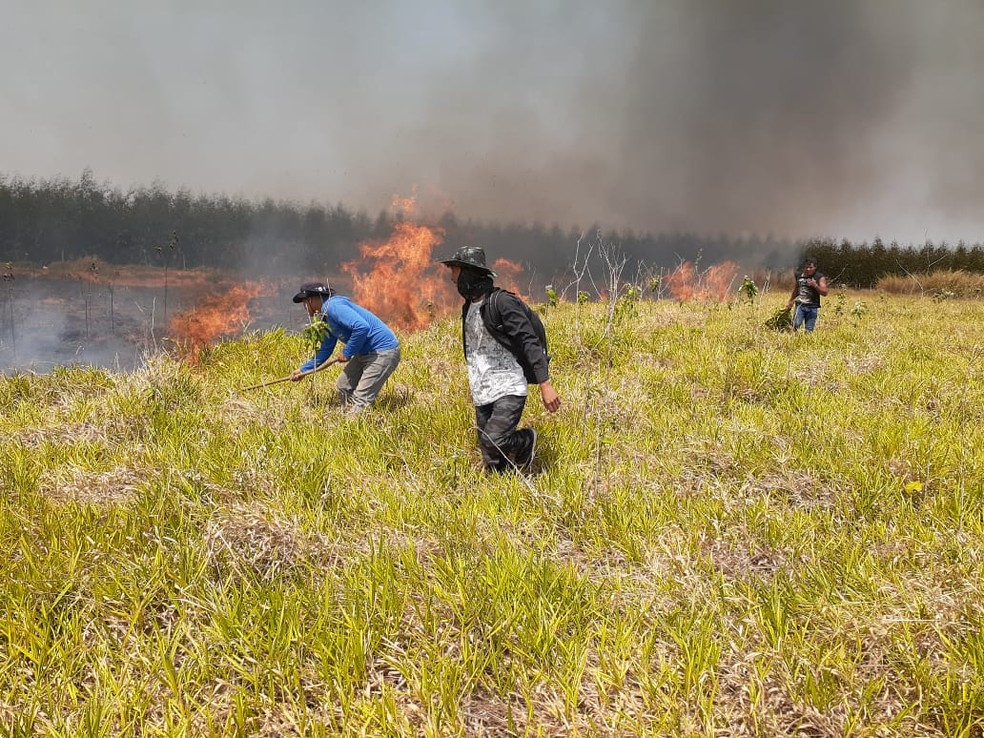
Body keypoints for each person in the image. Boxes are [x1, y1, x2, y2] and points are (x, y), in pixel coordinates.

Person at [439, 246, 561, 473]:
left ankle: (526, 440)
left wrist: (545, 384)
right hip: (482, 389)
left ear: (468, 273)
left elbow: (528, 341)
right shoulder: (469, 307)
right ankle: (499, 489)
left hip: (508, 386)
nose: (452, 279)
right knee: (491, 455)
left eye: (455, 273)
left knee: (493, 440)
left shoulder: (502, 303)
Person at [289, 282, 401, 412]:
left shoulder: (333, 306)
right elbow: (326, 348)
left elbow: (361, 327)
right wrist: (303, 370)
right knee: (344, 386)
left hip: (382, 352)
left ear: (311, 300)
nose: (305, 307)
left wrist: (347, 352)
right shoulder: (326, 316)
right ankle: (349, 415)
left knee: (361, 398)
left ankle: (352, 426)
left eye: (304, 303)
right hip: (364, 353)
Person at [785, 257, 829, 332]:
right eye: (806, 267)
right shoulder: (799, 276)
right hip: (800, 306)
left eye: (810, 267)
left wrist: (815, 285)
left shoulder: (819, 277)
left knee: (809, 329)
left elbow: (825, 292)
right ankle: (794, 340)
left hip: (812, 307)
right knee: (795, 325)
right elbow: (796, 289)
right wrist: (791, 302)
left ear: (815, 267)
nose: (808, 269)